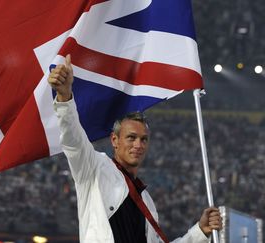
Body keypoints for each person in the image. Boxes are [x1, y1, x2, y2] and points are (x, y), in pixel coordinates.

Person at [48, 54, 222, 243]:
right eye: (131, 138)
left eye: (143, 139)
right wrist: (64, 97)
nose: (138, 145)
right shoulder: (94, 168)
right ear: (115, 140)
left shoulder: (146, 200)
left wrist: (200, 231)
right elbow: (73, 140)